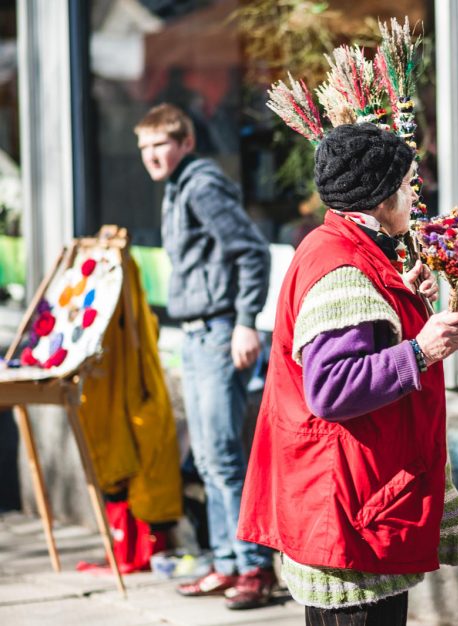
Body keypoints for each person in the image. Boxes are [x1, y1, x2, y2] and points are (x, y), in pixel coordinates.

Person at [237, 123, 458, 625]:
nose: (415, 193)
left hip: (350, 499)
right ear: (381, 194)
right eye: (409, 183)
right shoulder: (344, 267)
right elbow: (331, 387)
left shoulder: (338, 245)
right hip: (349, 511)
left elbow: (358, 331)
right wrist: (422, 351)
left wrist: (401, 291)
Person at [135, 103, 275, 610]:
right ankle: (225, 562)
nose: (152, 156)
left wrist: (245, 323)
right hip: (193, 336)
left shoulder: (201, 185)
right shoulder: (176, 186)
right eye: (144, 148)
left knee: (223, 456)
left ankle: (254, 568)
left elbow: (252, 252)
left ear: (186, 142)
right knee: (209, 460)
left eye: (160, 145)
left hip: (220, 332)